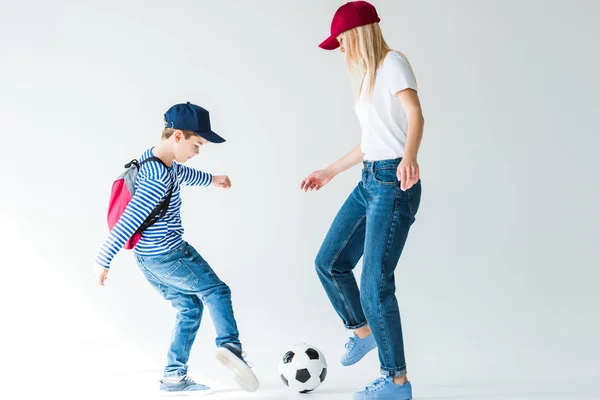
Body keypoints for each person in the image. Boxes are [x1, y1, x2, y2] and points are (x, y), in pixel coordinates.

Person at [301, 2, 424, 399]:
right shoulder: (368, 76)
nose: (340, 50)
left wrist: (410, 156)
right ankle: (362, 331)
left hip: (394, 181)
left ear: (357, 34)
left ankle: (396, 382)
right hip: (370, 178)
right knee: (329, 262)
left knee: (374, 284)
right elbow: (372, 142)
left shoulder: (392, 63)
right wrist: (330, 171)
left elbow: (416, 114)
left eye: (340, 41)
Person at [94, 102, 259, 396]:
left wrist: (213, 179)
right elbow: (130, 220)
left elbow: (181, 176)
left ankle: (173, 376)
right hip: (169, 255)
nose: (197, 153)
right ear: (178, 136)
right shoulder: (157, 177)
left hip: (149, 260)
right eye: (197, 145)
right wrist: (103, 259)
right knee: (216, 291)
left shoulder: (153, 160)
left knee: (189, 308)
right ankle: (230, 345)